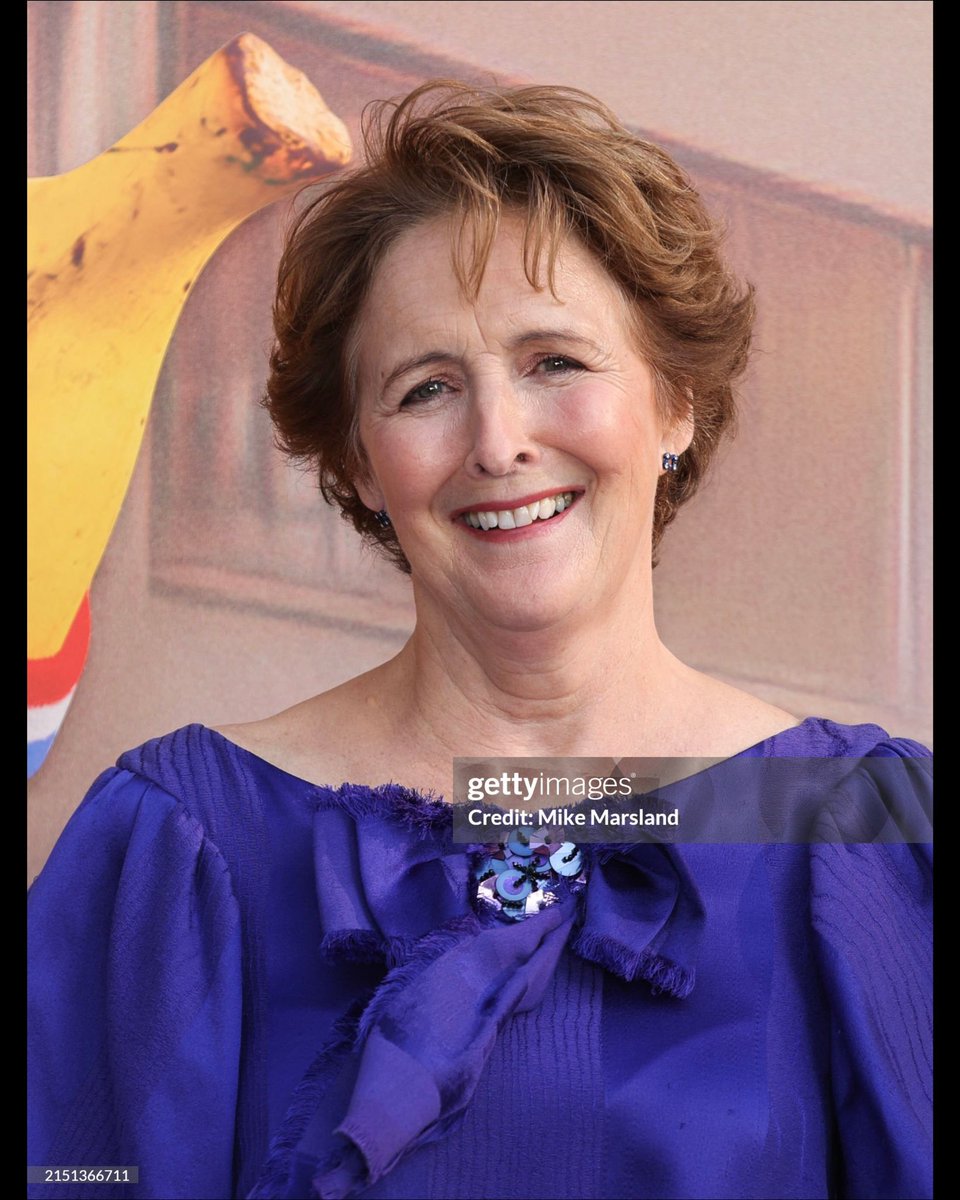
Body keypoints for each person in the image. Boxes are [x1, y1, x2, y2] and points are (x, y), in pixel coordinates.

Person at [28, 82, 931, 1200]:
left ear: (677, 401)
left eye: (556, 361)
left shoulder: (871, 836)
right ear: (358, 461)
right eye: (427, 388)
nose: (499, 442)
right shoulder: (181, 845)